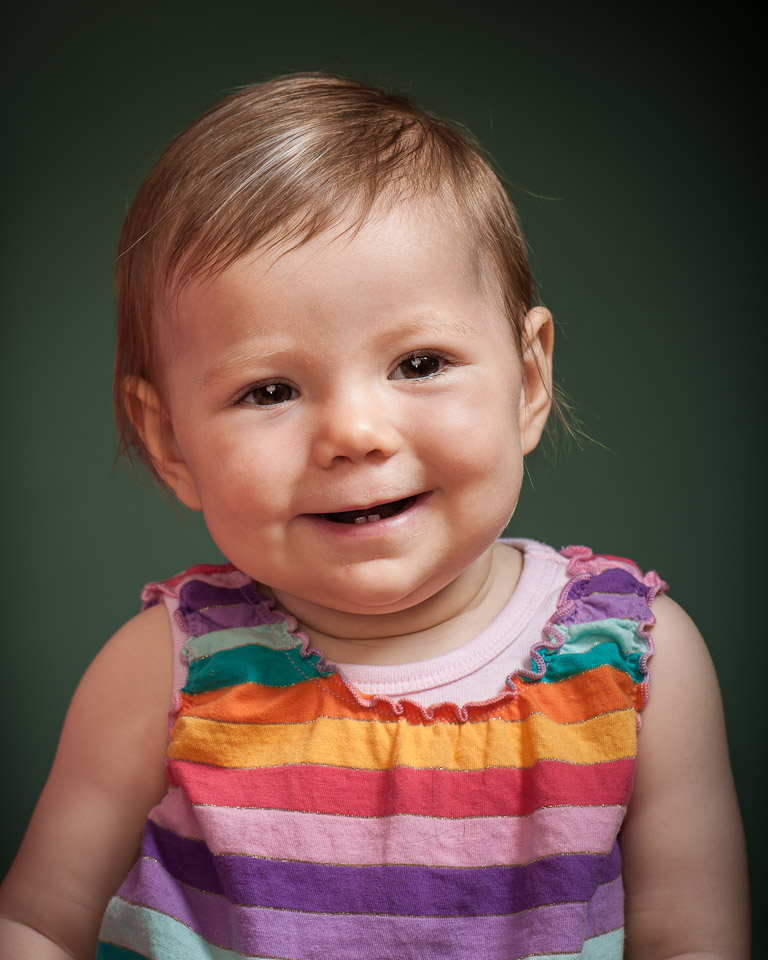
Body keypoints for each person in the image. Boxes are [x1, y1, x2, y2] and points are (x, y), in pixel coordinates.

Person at [0, 73, 749, 960]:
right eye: (270, 390)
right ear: (169, 441)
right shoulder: (164, 674)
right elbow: (37, 922)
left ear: (530, 379)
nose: (354, 434)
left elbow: (691, 939)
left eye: (421, 363)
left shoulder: (636, 666)